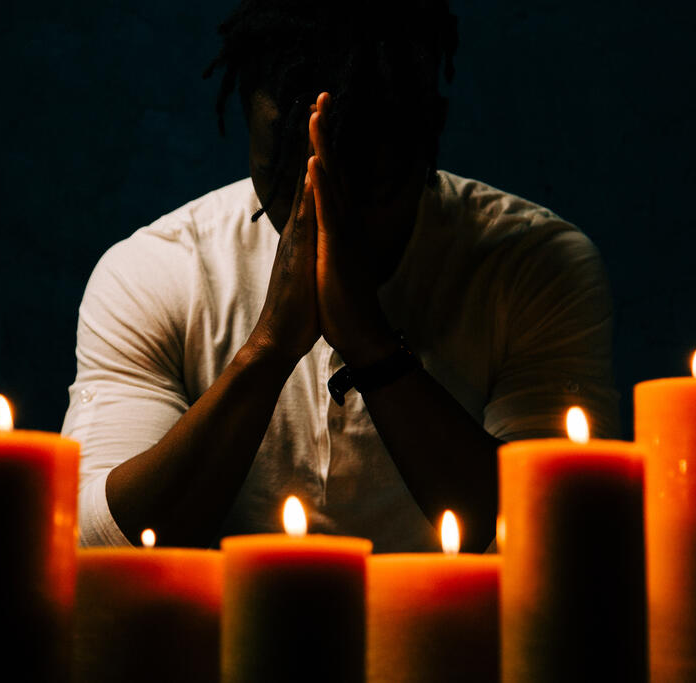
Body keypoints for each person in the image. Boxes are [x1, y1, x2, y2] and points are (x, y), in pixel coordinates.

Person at [62, 0, 618, 553]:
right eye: (286, 170)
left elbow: (562, 545)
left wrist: (372, 347)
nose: (322, 203)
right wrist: (269, 349)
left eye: (366, 183)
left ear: (430, 132)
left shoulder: (535, 265)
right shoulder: (156, 272)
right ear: (247, 120)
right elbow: (96, 545)